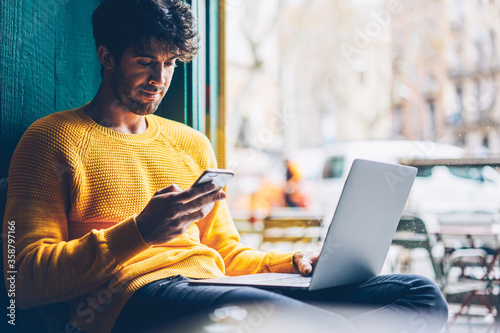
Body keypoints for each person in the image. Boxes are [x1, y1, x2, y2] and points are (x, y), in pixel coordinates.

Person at [2, 0, 448, 332]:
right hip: (132, 300)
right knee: (289, 319)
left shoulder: (190, 143)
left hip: (206, 284)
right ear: (106, 57)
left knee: (419, 295)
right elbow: (20, 279)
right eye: (144, 63)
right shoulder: (52, 140)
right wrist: (138, 233)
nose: (159, 79)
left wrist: (289, 263)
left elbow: (227, 254)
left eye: (170, 64)